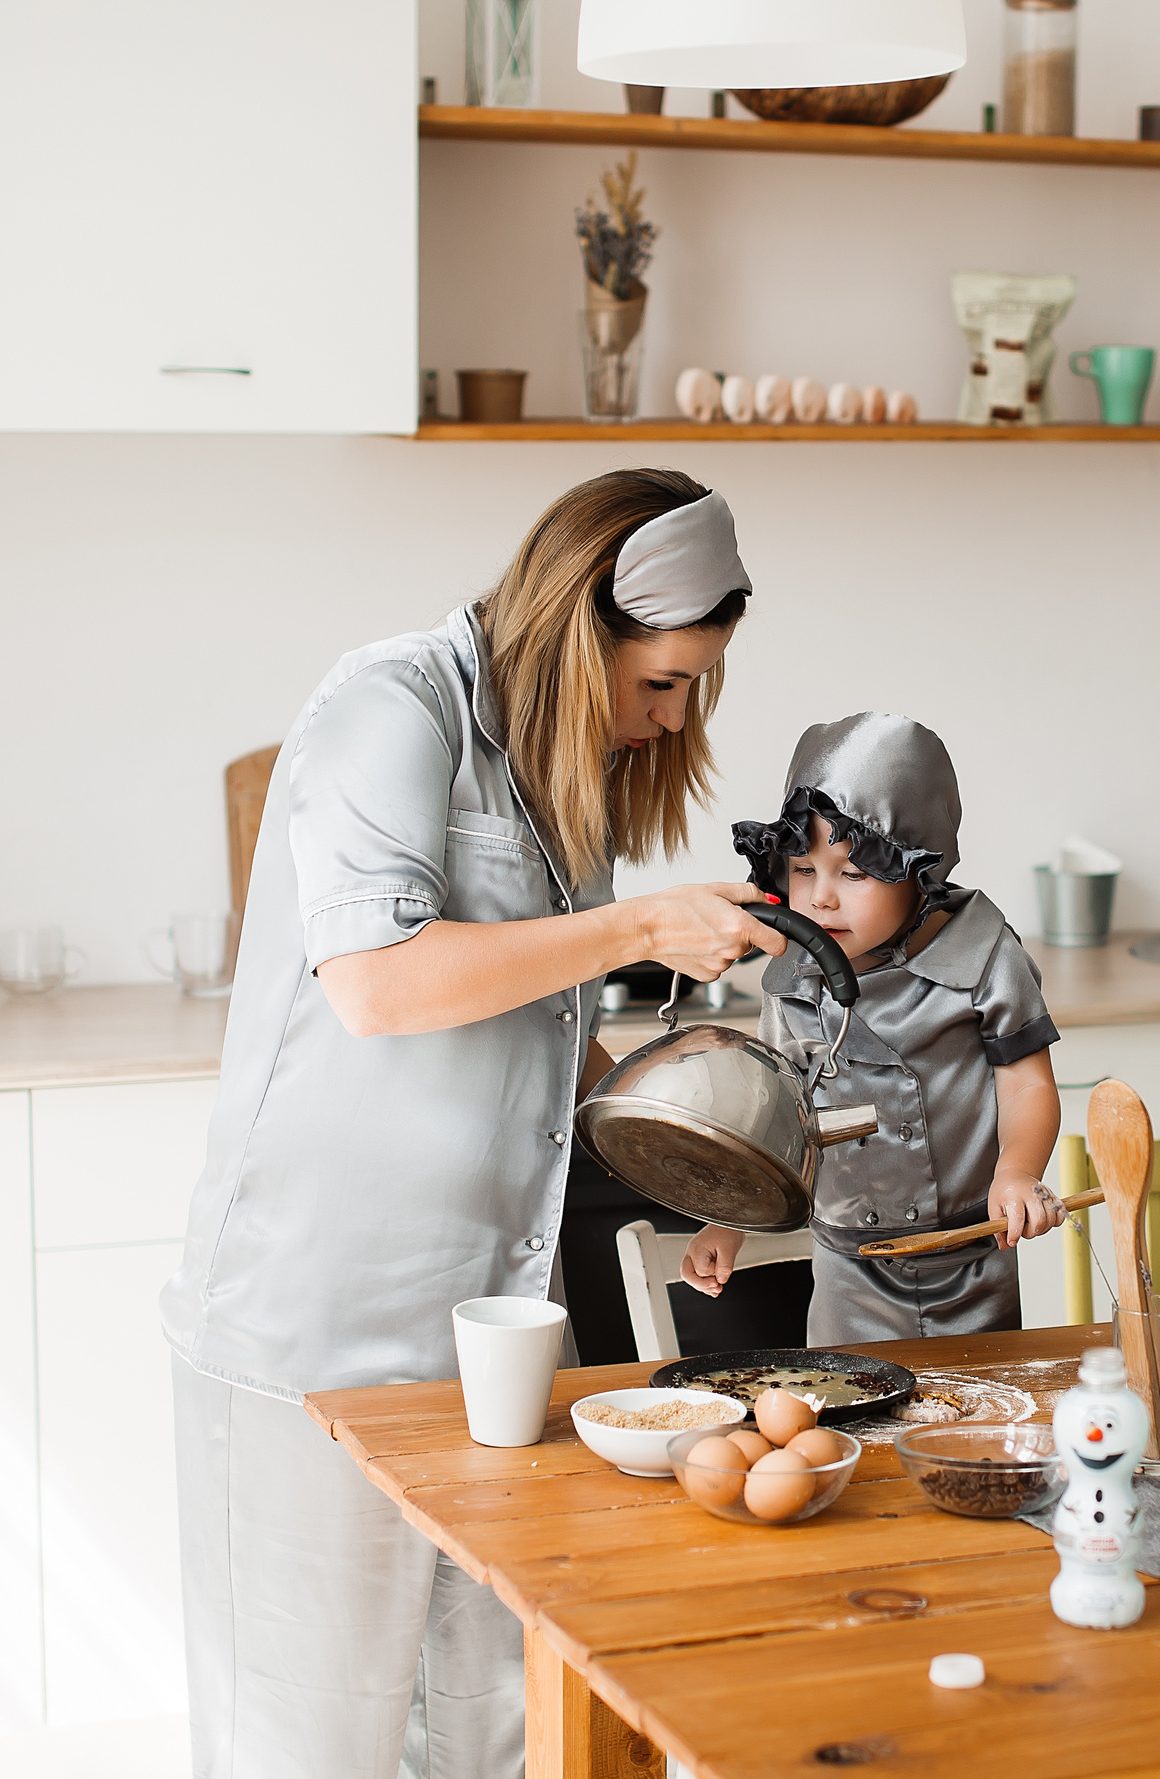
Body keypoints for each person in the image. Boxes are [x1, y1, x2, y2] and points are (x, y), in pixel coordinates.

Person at [159, 470, 785, 1779]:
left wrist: (691, 1159)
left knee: (495, 1724)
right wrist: (638, 923)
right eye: (661, 681)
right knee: (314, 1734)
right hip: (317, 1331)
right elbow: (380, 984)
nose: (667, 720)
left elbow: (547, 1040)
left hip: (491, 1335)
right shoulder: (392, 706)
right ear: (582, 622)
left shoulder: (563, 776)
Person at [677, 713, 1064, 1342]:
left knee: (976, 1418)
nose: (823, 898)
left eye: (854, 874)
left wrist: (1016, 1173)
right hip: (846, 1267)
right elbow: (775, 1113)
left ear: (917, 874)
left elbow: (1026, 1087)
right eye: (804, 871)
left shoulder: (984, 953)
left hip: (971, 1256)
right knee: (850, 1421)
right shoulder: (790, 967)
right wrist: (733, 1219)